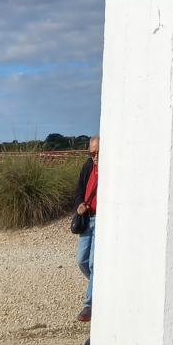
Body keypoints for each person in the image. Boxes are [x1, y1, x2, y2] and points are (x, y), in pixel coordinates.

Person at [74, 136, 99, 323]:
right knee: (81, 260)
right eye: (92, 153)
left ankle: (89, 305)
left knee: (92, 263)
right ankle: (100, 285)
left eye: (98, 152)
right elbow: (79, 190)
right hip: (87, 218)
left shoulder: (109, 168)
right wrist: (79, 204)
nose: (95, 156)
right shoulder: (88, 166)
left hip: (101, 219)